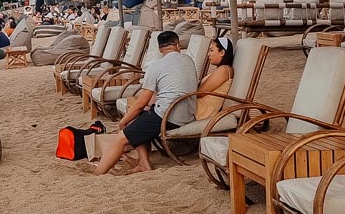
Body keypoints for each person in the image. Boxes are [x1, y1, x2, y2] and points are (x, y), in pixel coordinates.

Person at [86, 31, 198, 176]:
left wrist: (123, 123)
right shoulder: (188, 60)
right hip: (187, 114)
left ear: (160, 49)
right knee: (142, 117)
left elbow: (141, 102)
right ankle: (144, 164)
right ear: (178, 45)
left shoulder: (156, 66)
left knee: (121, 137)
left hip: (167, 117)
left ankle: (98, 173)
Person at [193, 37, 234, 121]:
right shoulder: (220, 70)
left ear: (222, 52)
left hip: (201, 111)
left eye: (211, 50)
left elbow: (200, 93)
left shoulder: (224, 70)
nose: (208, 54)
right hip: (198, 107)